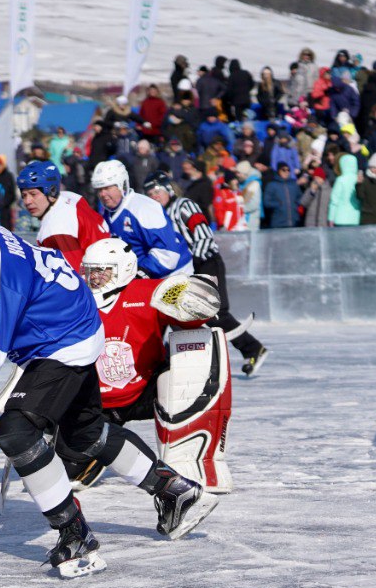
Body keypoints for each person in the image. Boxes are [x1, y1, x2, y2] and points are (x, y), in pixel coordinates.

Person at [0, 186, 217, 579]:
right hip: (74, 322)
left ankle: (76, 536)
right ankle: (176, 491)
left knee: (17, 432)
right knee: (84, 435)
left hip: (62, 342)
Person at [71, 237, 231, 492]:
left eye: (103, 270)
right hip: (97, 400)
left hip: (147, 390)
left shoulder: (149, 291)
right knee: (70, 473)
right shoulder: (75, 300)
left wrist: (193, 303)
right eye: (90, 270)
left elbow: (193, 317)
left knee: (187, 362)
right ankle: (93, 455)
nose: (95, 277)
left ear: (123, 269)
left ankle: (189, 461)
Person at [142, 170, 268, 375]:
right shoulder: (159, 214)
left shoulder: (183, 205)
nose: (154, 196)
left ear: (167, 189)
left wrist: (194, 264)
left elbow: (203, 234)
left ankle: (253, 349)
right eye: (149, 194)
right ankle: (168, 362)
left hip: (205, 263)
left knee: (215, 314)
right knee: (176, 316)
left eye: (156, 191)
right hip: (183, 271)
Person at [90, 159, 192, 277]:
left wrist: (140, 273)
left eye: (107, 188)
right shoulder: (108, 213)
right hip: (140, 276)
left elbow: (168, 255)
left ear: (121, 185)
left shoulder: (144, 208)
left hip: (173, 275)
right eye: (99, 190)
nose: (102, 194)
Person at [16, 160, 108, 271]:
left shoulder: (55, 228)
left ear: (52, 191)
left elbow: (73, 277)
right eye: (24, 195)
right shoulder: (70, 197)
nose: (27, 201)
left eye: (33, 194)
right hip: (108, 263)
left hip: (100, 277)